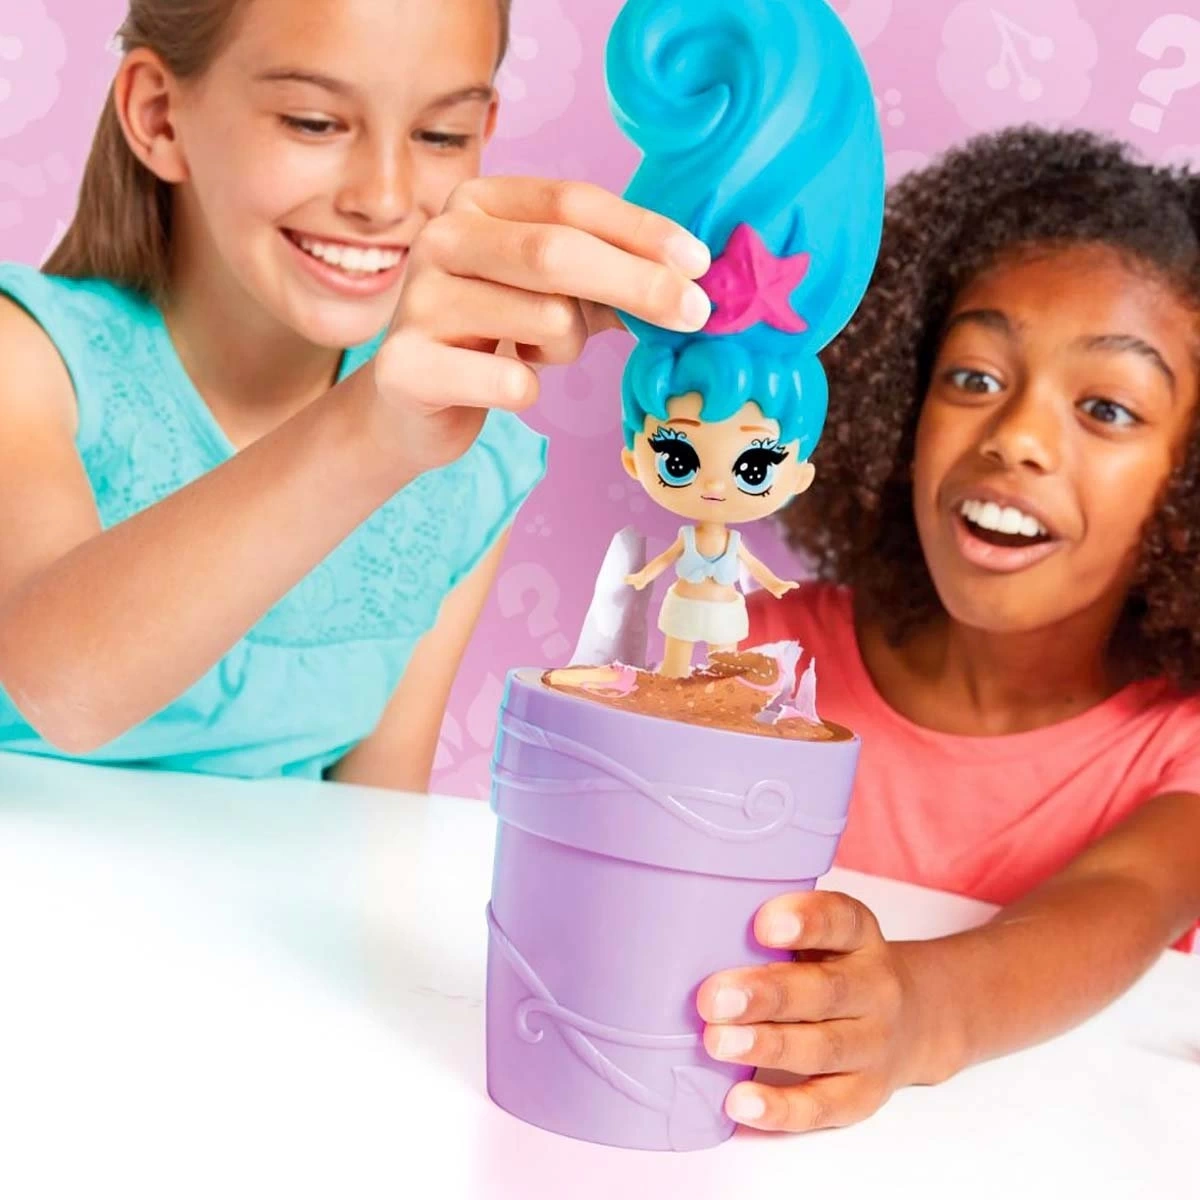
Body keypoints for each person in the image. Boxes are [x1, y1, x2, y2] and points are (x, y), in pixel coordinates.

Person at [0, 0, 714, 786]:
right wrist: (370, 430)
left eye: (440, 134)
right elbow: (60, 692)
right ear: (159, 116)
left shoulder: (467, 454)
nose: (384, 198)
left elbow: (376, 820)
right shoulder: (26, 357)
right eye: (314, 123)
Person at [695, 126, 1200, 1134]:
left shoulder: (1174, 755)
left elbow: (1123, 898)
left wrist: (918, 1012)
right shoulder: (757, 659)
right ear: (899, 409)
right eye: (974, 378)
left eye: (1106, 408)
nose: (1016, 437)